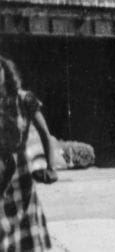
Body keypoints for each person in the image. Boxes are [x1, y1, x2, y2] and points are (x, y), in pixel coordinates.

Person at [0, 57, 57, 250]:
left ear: (5, 73)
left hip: (21, 178)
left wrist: (51, 166)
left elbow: (45, 134)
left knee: (26, 239)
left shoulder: (25, 99)